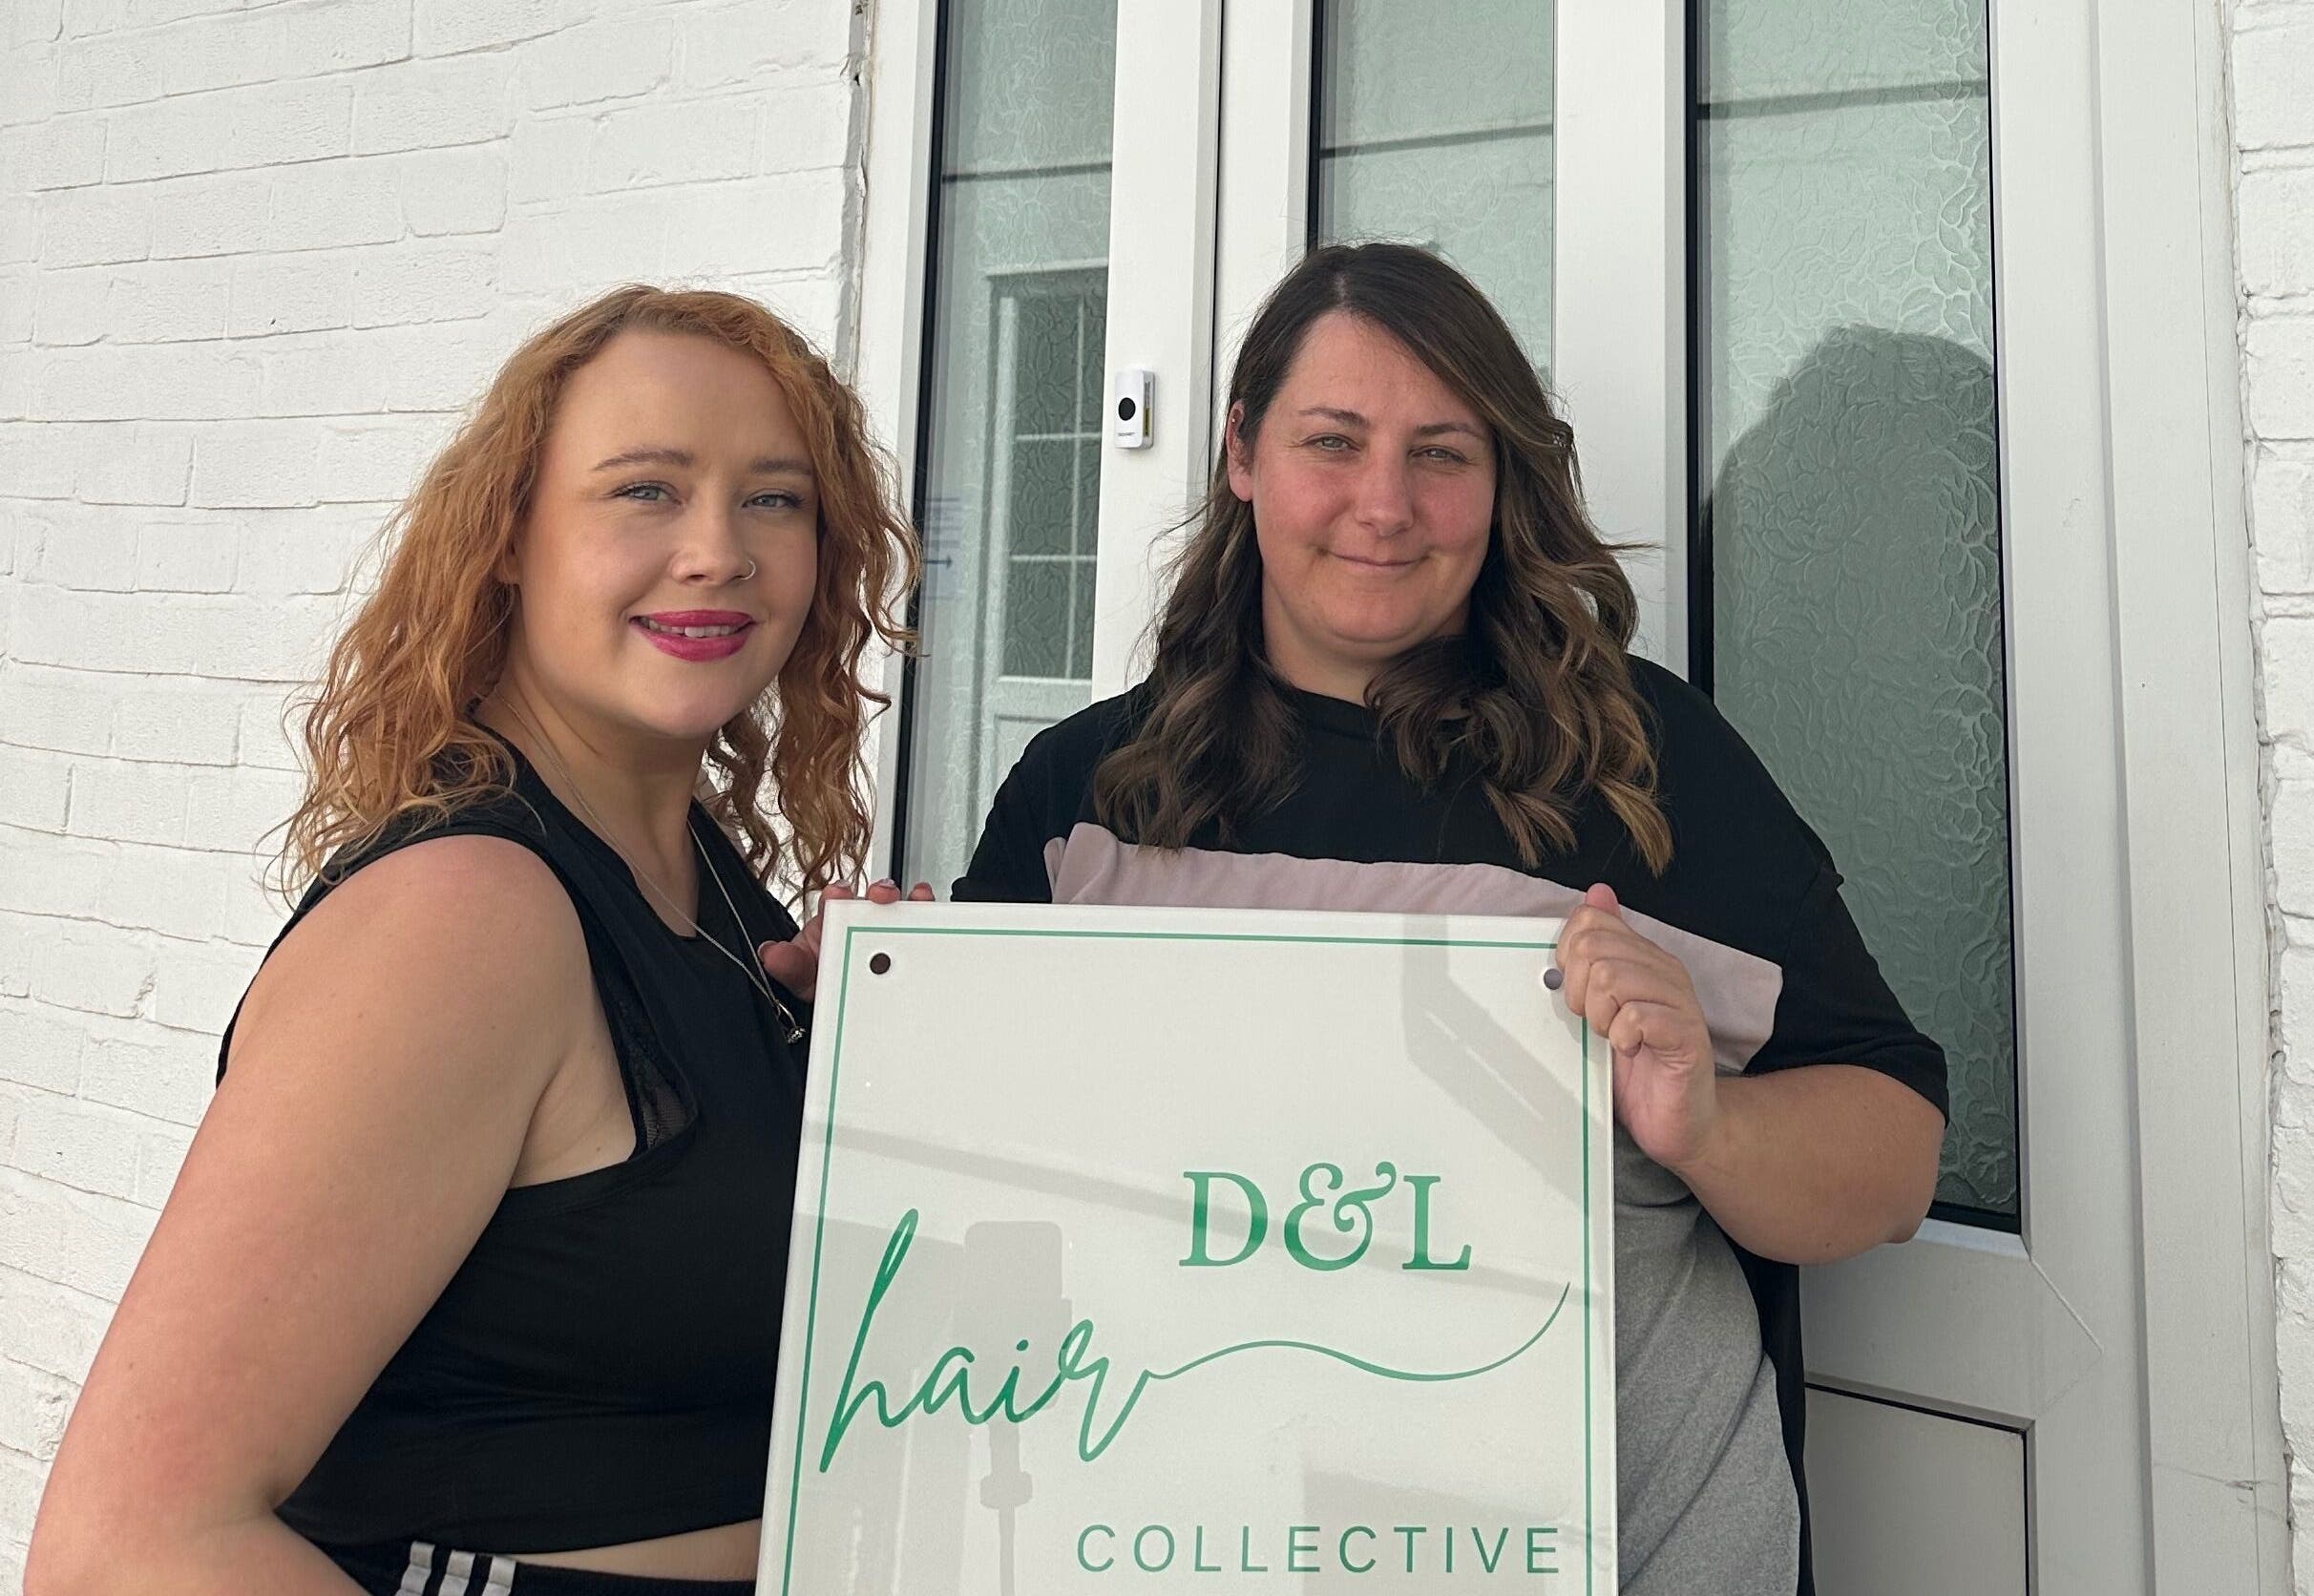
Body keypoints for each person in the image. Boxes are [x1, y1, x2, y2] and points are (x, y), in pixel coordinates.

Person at [953, 242, 1949, 1593]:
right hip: (1179, 1539)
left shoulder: (1644, 766)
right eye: (1334, 442)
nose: (1385, 504)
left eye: (1441, 453)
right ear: (1241, 451)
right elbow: (967, 1175)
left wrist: (1708, 1126)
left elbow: (1893, 1160)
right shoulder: (1084, 799)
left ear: (1501, 481)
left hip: (1622, 1552)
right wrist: (871, 1011)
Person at [30, 287, 924, 1595]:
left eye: (774, 499)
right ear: (508, 538)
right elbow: (127, 1549)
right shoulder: (466, 919)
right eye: (645, 491)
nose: (719, 550)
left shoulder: (711, 893)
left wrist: (886, 1057)